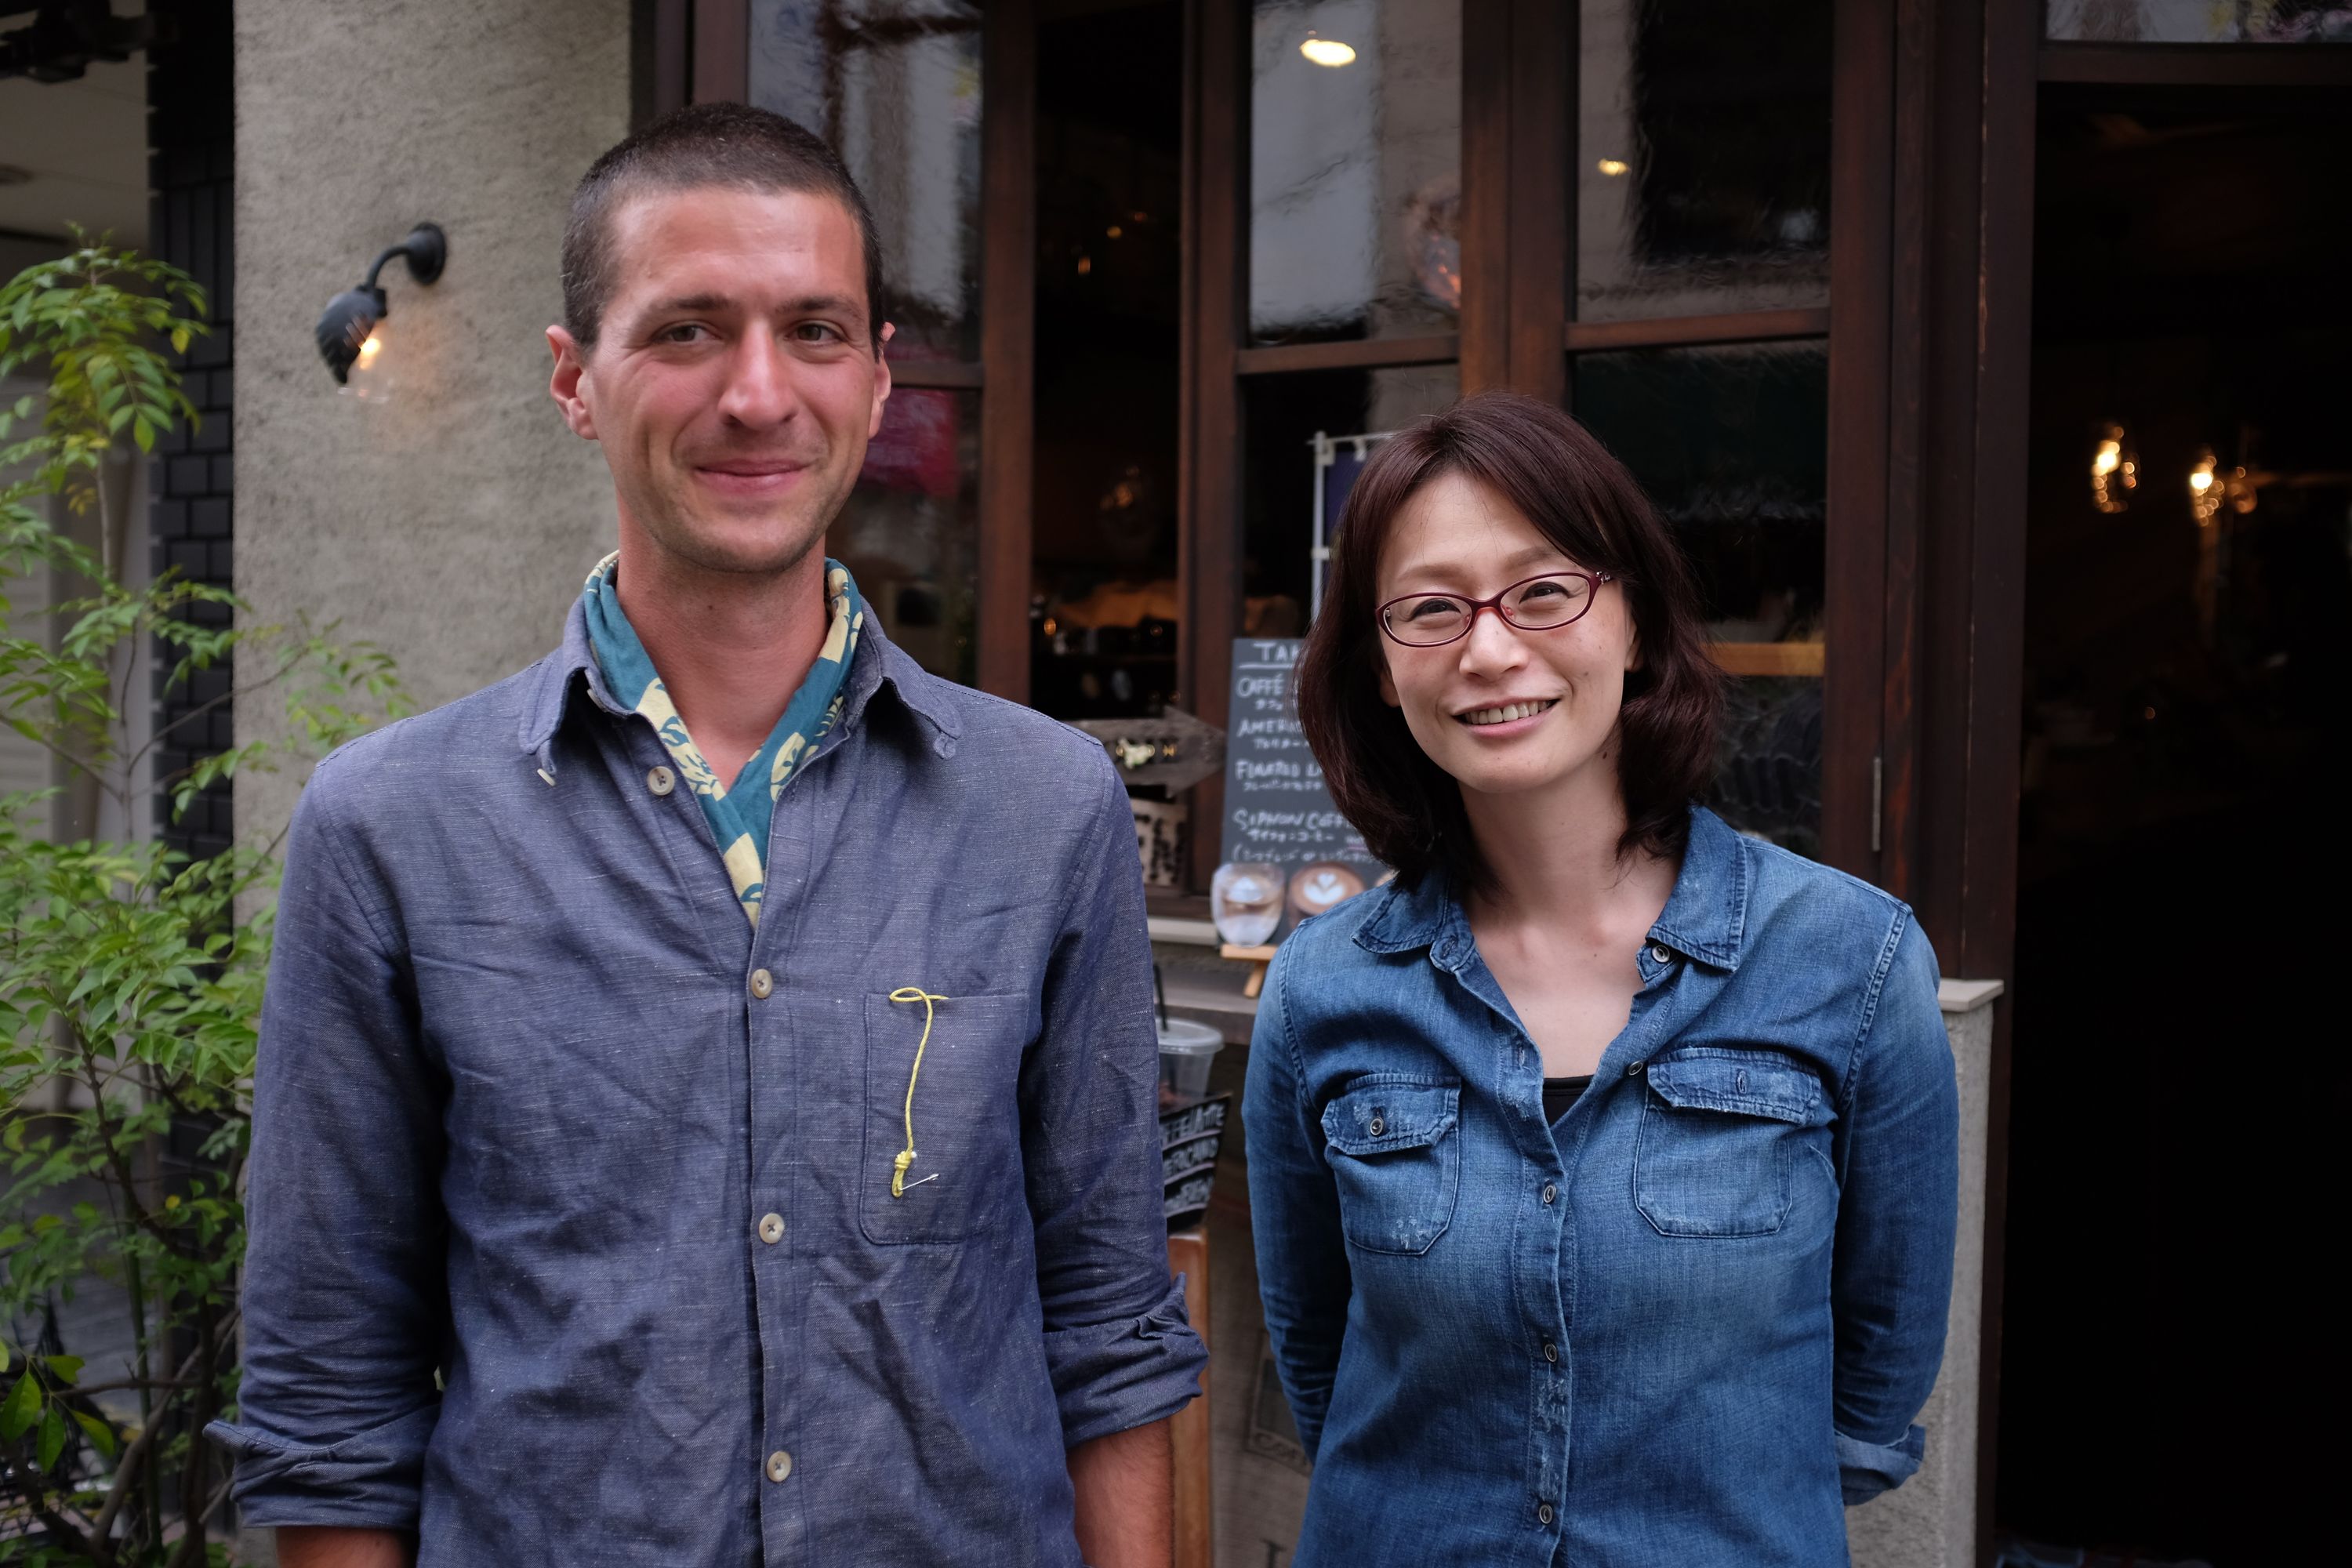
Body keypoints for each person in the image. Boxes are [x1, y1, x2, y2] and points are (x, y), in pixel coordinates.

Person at [209, 103, 1203, 1567]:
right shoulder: (392, 826)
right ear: (576, 381)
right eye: (687, 330)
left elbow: (1111, 1326)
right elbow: (330, 1389)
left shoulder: (1045, 807)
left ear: (875, 377)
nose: (758, 393)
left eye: (813, 330)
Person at [1246, 391, 1958, 1566]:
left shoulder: (1850, 960)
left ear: (1633, 619)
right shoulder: (1324, 988)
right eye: (1430, 609)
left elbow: (1880, 1377)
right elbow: (1316, 1355)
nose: (1488, 649)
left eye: (1543, 591)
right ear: (1378, 667)